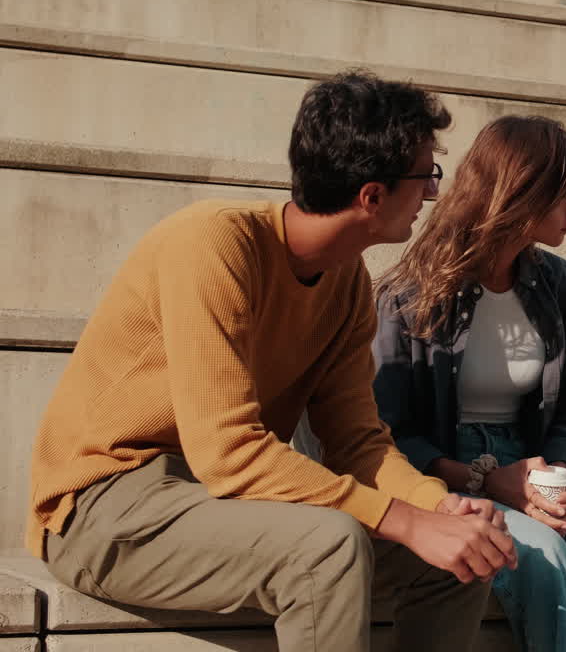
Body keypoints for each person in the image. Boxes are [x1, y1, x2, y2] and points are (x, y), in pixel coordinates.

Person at [25, 70, 516, 652]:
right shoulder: (211, 245)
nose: (433, 194)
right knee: (327, 543)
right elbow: (229, 451)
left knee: (458, 558)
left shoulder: (348, 285)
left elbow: (359, 443)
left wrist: (439, 507)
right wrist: (406, 521)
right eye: (426, 177)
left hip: (224, 502)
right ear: (372, 196)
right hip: (105, 507)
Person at [373, 115, 566, 651]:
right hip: (444, 474)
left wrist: (554, 479)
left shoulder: (559, 286)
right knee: (546, 560)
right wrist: (484, 478)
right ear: (521, 194)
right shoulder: (407, 296)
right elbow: (387, 434)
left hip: (532, 468)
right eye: (564, 192)